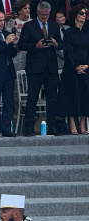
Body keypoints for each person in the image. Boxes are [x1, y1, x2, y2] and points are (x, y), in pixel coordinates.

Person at [19, 1, 61, 136]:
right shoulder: (29, 26)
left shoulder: (54, 25)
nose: (45, 17)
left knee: (52, 98)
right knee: (32, 98)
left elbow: (61, 43)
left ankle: (52, 126)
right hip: (35, 67)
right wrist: (35, 46)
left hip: (51, 67)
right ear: (37, 13)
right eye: (42, 15)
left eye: (47, 15)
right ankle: (28, 127)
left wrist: (56, 43)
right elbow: (21, 44)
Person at [58, 5, 88, 134]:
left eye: (85, 13)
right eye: (81, 13)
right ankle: (72, 123)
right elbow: (68, 51)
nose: (84, 15)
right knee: (71, 95)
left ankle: (82, 123)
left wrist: (86, 65)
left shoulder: (87, 32)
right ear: (75, 15)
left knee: (85, 95)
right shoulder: (69, 32)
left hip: (86, 68)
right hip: (71, 69)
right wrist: (76, 66)